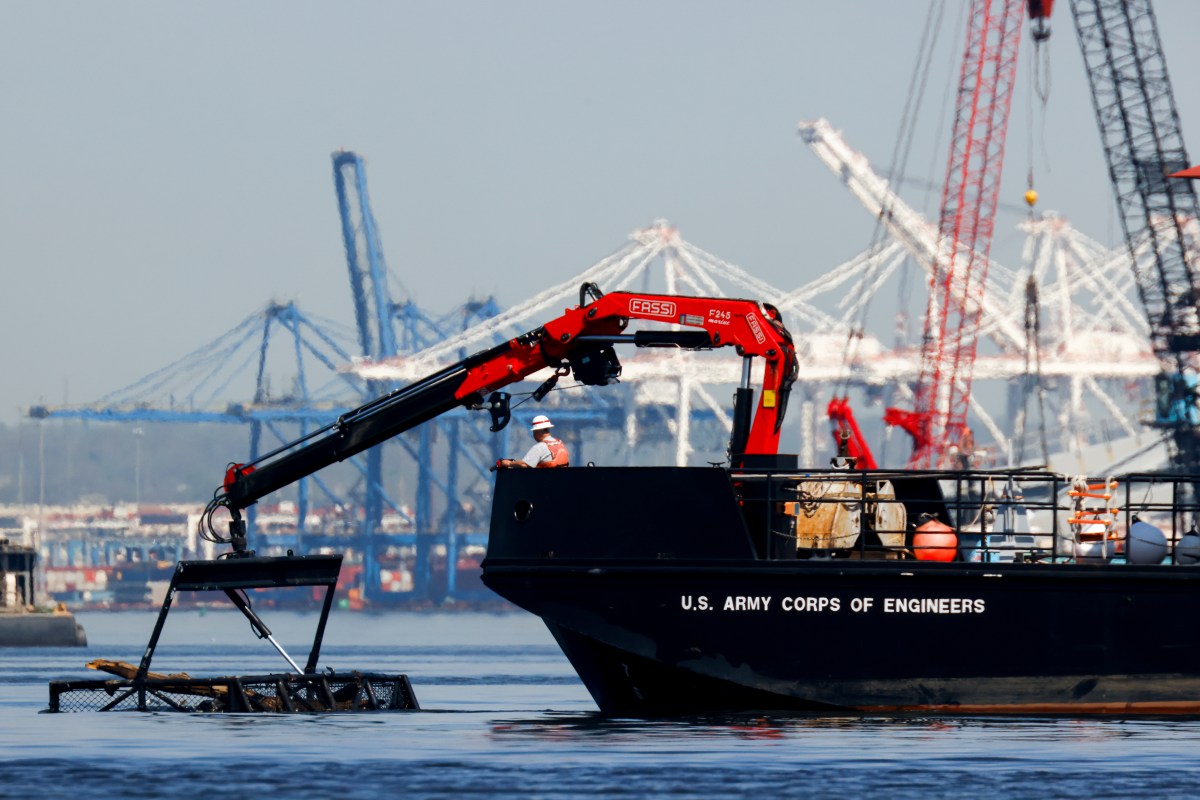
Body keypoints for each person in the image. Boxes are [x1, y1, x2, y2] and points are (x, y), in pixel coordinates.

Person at [496, 415, 570, 469]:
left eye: (534, 432)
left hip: (546, 484)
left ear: (538, 431)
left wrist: (509, 463)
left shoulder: (540, 447)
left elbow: (524, 465)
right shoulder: (560, 443)